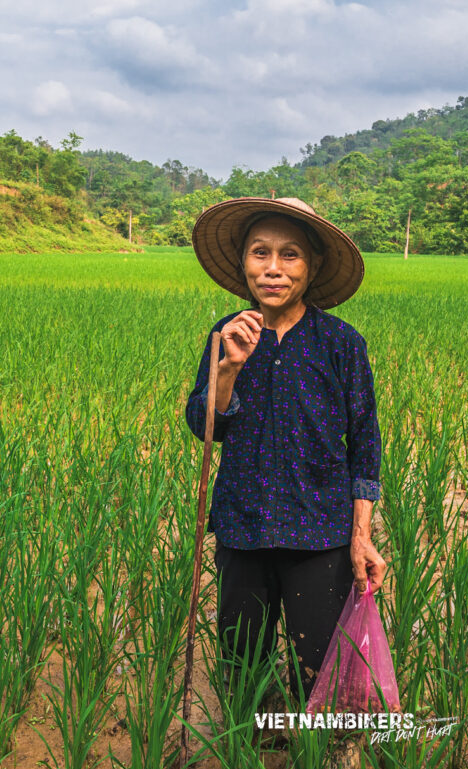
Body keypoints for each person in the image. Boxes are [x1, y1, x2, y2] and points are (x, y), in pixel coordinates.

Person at [185, 197, 386, 700]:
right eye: (260, 253)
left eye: (290, 254)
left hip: (318, 533)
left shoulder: (341, 343)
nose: (273, 268)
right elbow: (203, 427)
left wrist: (360, 537)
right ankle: (244, 745)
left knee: (316, 671)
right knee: (241, 662)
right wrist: (228, 366)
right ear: (244, 263)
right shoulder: (225, 334)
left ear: (312, 265)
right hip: (242, 527)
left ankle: (312, 747)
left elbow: (365, 444)